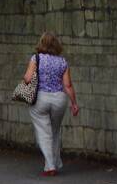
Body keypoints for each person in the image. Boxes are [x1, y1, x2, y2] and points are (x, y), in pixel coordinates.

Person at [22, 32, 79, 176]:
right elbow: (68, 85)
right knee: (55, 131)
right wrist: (74, 103)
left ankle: (51, 166)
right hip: (59, 99)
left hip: (41, 98)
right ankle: (53, 163)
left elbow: (28, 79)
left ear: (42, 43)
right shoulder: (62, 62)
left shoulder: (36, 58)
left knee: (43, 132)